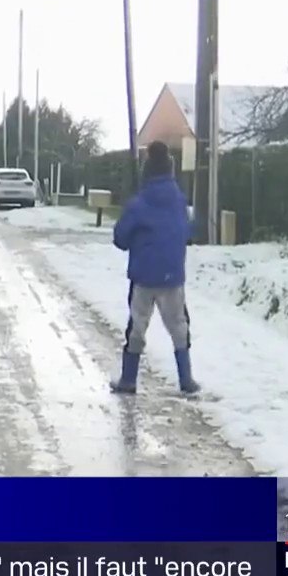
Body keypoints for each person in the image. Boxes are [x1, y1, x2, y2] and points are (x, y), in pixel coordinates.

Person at [109, 140, 199, 395]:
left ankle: (128, 380)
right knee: (178, 325)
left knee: (137, 326)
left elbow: (120, 238)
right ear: (171, 170)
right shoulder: (180, 202)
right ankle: (186, 380)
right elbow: (189, 231)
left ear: (146, 171)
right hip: (172, 275)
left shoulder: (139, 203)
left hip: (144, 276)